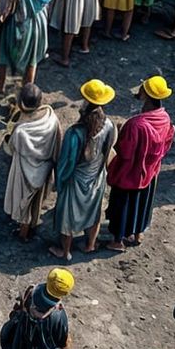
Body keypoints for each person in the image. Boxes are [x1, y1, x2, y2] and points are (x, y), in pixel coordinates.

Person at [104, 76, 175, 249]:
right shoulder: (164, 118)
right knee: (142, 205)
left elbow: (124, 152)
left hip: (130, 174)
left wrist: (120, 133)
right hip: (150, 173)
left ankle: (117, 241)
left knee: (123, 206)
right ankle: (137, 233)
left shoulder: (136, 125)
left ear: (147, 95)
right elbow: (166, 144)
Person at [49, 80, 114, 261]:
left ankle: (65, 251)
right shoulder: (109, 125)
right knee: (94, 212)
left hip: (76, 182)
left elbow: (65, 163)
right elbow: (108, 149)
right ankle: (90, 244)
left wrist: (59, 182)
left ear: (85, 101)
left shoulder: (75, 133)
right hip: (97, 179)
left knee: (67, 218)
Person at [0, 83, 60, 239]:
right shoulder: (50, 117)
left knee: (23, 203)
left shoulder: (21, 131)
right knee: (34, 202)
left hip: (24, 170)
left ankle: (23, 234)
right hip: (44, 168)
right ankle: (28, 227)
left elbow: (12, 147)